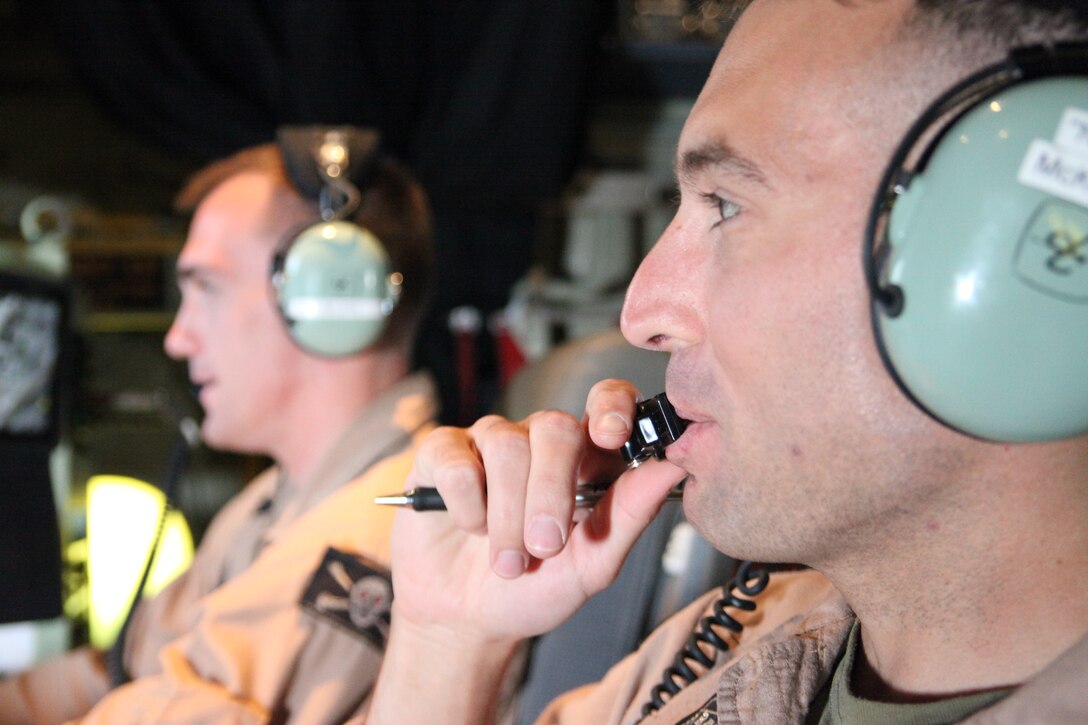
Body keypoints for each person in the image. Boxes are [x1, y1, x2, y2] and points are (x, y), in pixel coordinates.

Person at [363, 1, 1088, 723]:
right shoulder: (722, 658)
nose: (642, 313)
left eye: (727, 205)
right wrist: (449, 646)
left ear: (1009, 270)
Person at [0, 129, 437, 723]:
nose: (177, 339)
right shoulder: (273, 503)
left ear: (330, 294)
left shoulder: (377, 535)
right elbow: (123, 666)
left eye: (206, 287)